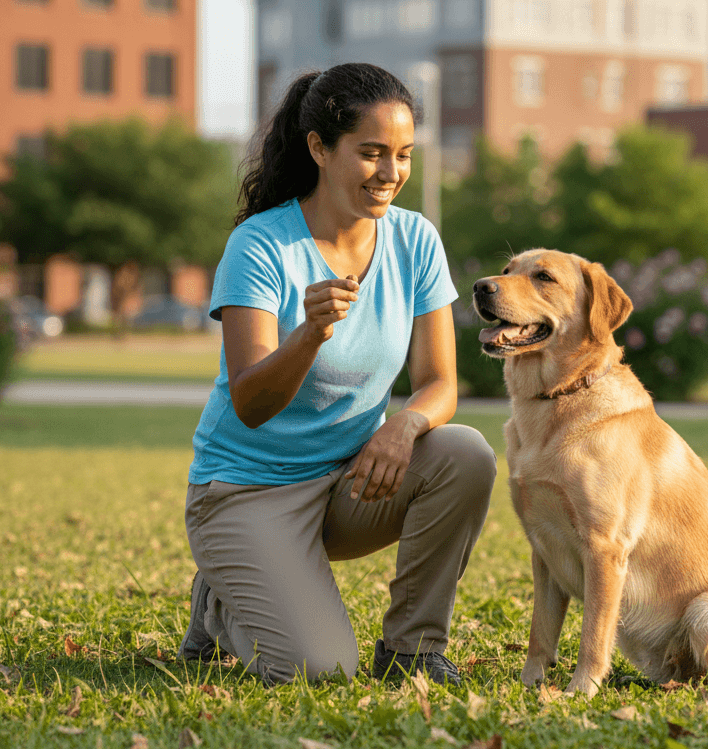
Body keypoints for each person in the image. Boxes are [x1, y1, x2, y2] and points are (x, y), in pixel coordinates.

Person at [179, 62, 496, 686]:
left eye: (403, 155)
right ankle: (219, 603)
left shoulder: (416, 240)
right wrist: (309, 334)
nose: (391, 173)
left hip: (351, 484)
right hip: (246, 492)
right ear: (319, 149)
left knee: (465, 454)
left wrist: (404, 425)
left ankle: (412, 649)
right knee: (319, 670)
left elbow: (440, 382)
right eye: (371, 153)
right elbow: (250, 403)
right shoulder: (261, 246)